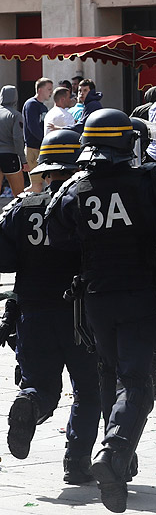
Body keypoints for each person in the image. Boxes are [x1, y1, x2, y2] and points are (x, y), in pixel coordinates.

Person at [45, 109, 156, 513]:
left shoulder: (76, 186)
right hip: (141, 292)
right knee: (136, 382)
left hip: (96, 295)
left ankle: (120, 465)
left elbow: (59, 238)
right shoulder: (148, 181)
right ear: (128, 142)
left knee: (108, 374)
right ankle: (113, 454)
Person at [0, 129, 100, 485]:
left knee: (41, 386)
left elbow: (4, 260)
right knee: (90, 391)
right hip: (81, 317)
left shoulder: (20, 208)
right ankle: (76, 464)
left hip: (32, 313)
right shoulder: (87, 204)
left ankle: (31, 403)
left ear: (45, 170)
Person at [22, 77, 52, 190]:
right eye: (49, 89)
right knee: (36, 185)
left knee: (49, 181)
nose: (51, 92)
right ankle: (22, 202)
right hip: (33, 148)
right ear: (40, 90)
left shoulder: (43, 107)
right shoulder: (31, 104)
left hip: (42, 148)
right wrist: (45, 140)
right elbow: (33, 127)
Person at [0, 85, 28, 197]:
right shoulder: (16, 115)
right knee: (19, 195)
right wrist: (23, 160)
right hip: (10, 155)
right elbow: (17, 139)